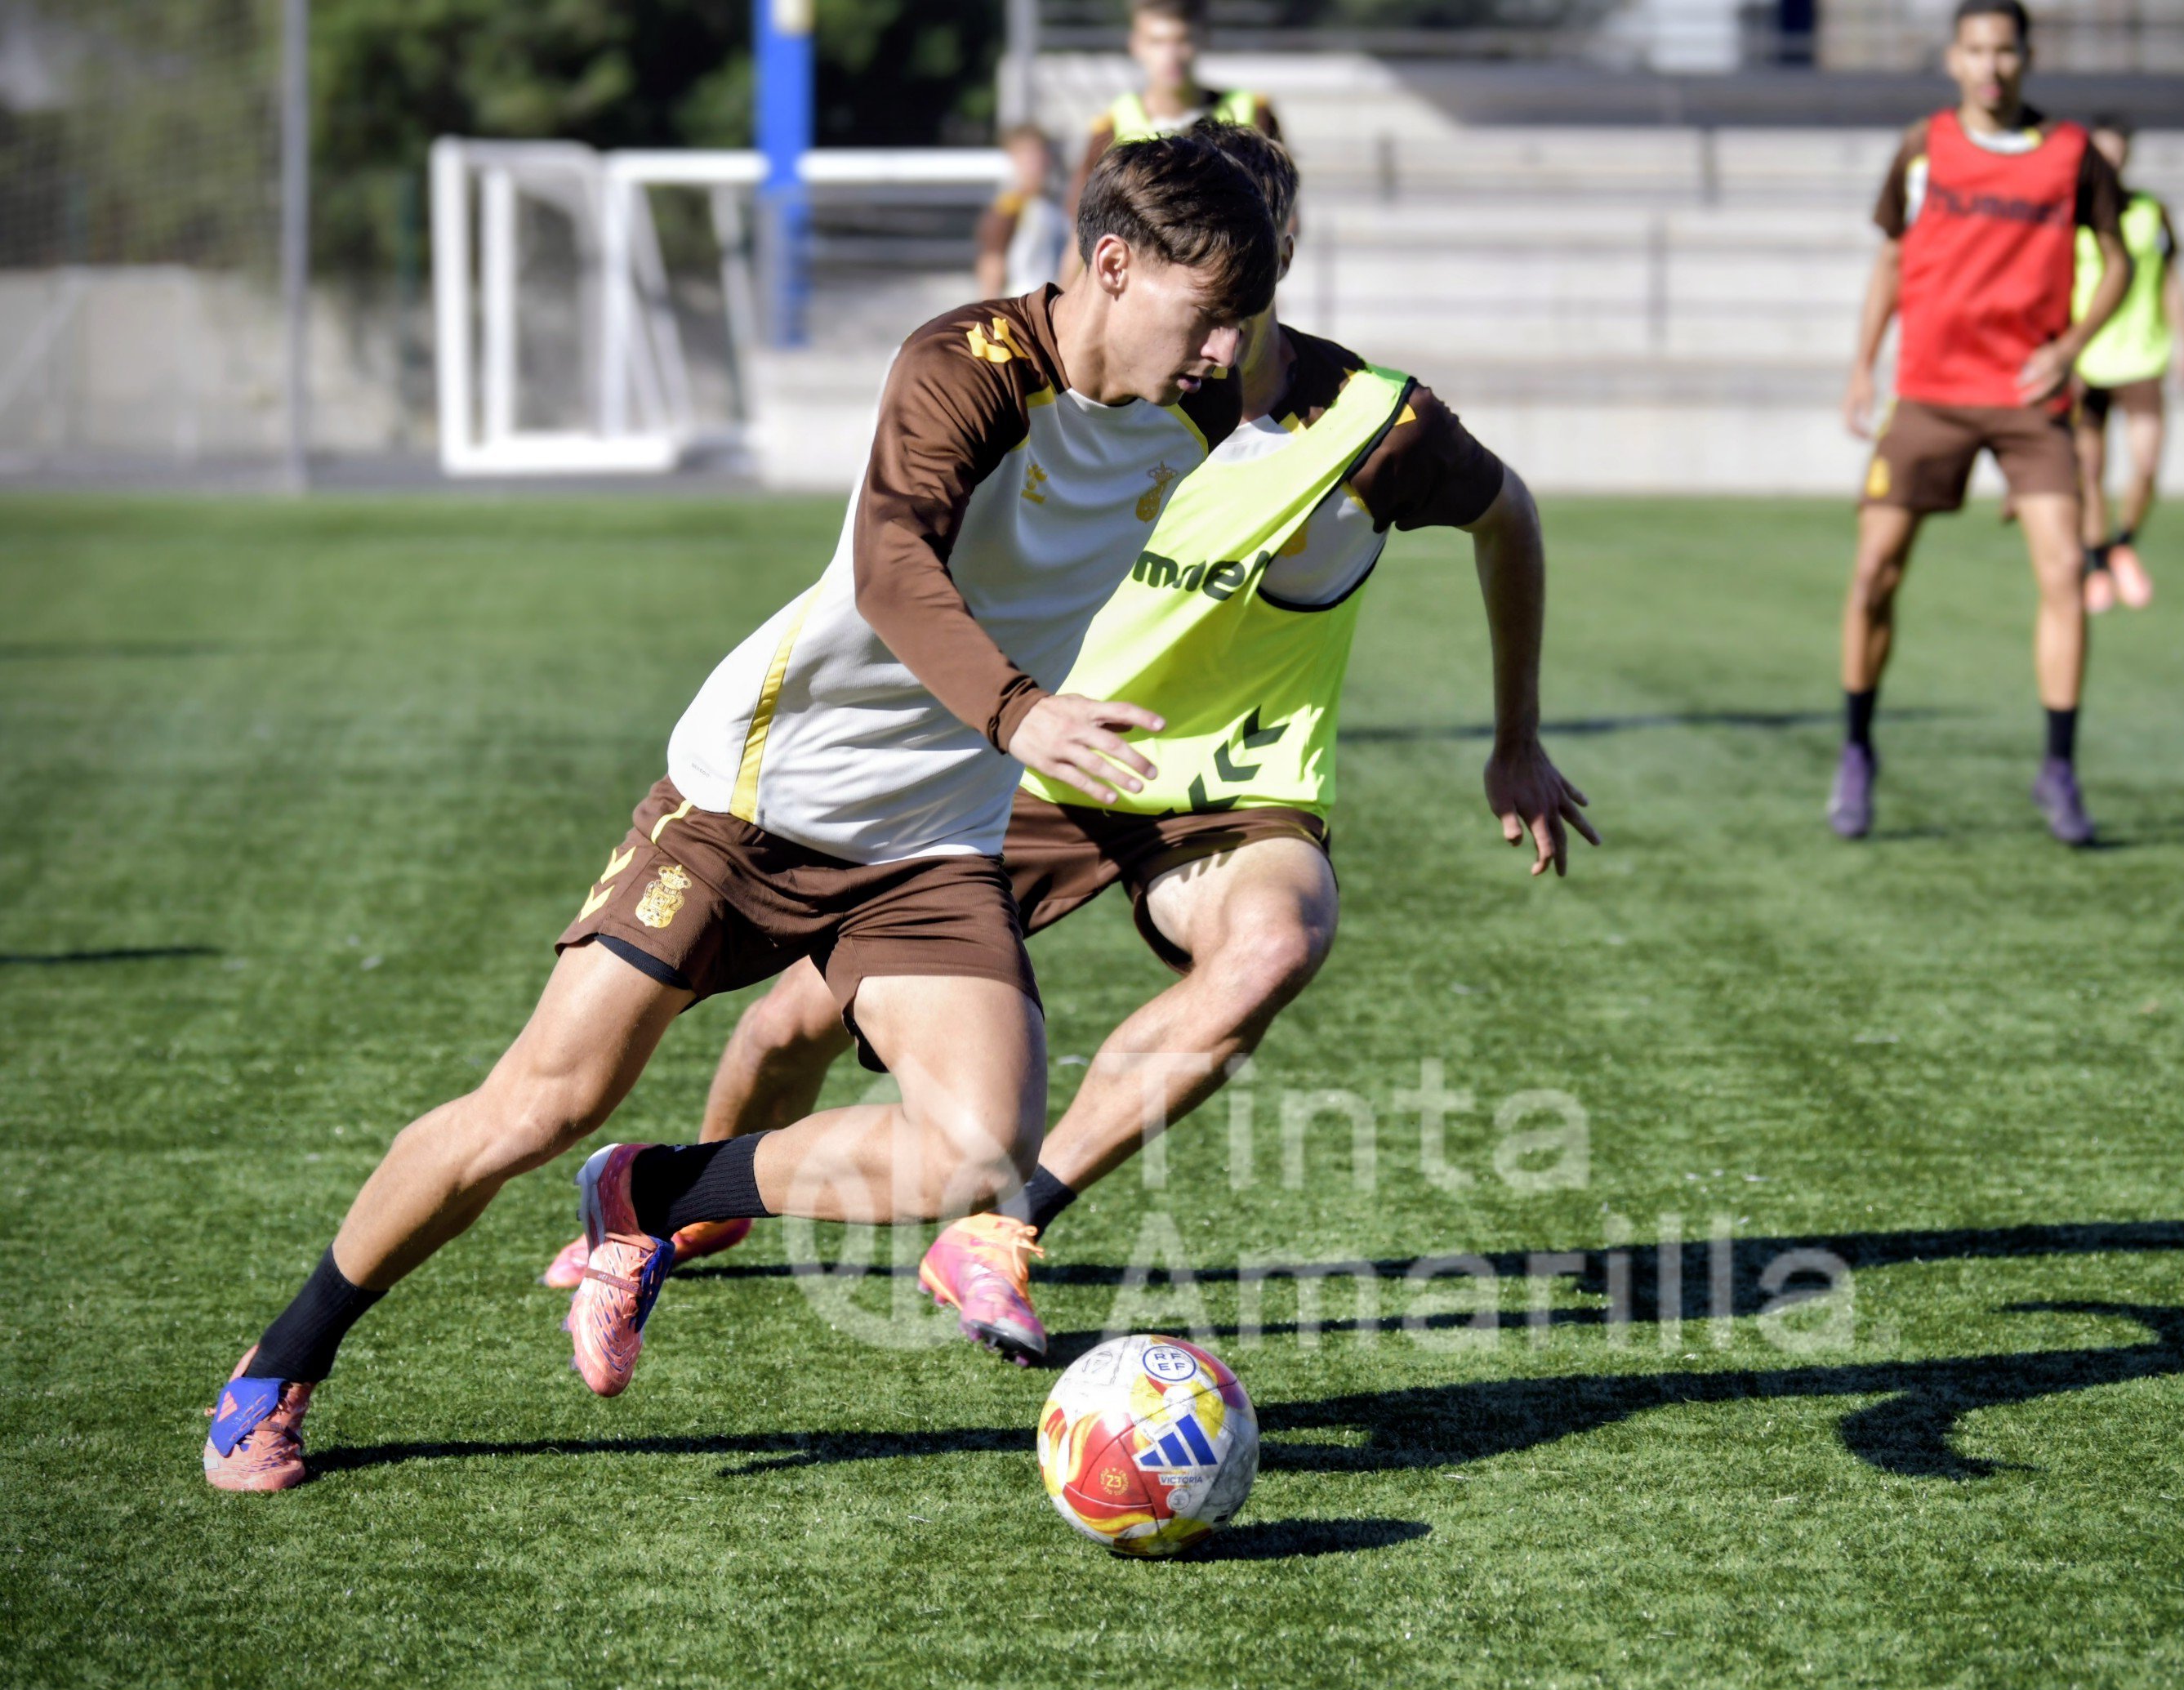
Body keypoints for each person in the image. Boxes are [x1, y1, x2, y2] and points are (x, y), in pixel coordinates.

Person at [200, 134, 1281, 1491]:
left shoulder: (1212, 389)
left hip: (928, 834)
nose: (1229, 344)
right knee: (540, 1100)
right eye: (1209, 310)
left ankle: (653, 1195)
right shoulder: (962, 366)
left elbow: (1330, 381)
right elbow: (893, 567)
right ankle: (279, 1363)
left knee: (977, 1146)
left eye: (1246, 315)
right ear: (1111, 266)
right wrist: (1021, 712)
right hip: (752, 798)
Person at [538, 121, 1596, 1367]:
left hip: (1228, 785)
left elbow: (1506, 511)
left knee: (1275, 940)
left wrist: (1515, 738)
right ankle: (671, 1206)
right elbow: (908, 547)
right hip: (1035, 757)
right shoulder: (1095, 389)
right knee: (787, 1031)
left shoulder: (1371, 423)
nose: (1226, 305)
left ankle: (1005, 1227)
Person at [1833, 0, 2129, 846]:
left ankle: (2059, 768)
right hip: (1927, 393)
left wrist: (2071, 347)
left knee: (2064, 576)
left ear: (2027, 57)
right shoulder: (1923, 146)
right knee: (1874, 575)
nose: (1991, 66)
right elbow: (1891, 257)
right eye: (1976, 51)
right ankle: (1856, 751)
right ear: (1952, 59)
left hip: (2031, 404)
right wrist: (1862, 365)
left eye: (2006, 51)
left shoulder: (2072, 153)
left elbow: (2120, 260)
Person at [2070, 116, 2184, 613]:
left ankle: (2122, 544)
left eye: (2117, 151)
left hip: (2142, 357)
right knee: (2090, 470)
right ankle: (2097, 564)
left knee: (2145, 464)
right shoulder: (2072, 211)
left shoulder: (2151, 212)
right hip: (2086, 359)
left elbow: (2171, 281)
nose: (2111, 161)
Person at [1060, 0, 1278, 281]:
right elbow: (1081, 239)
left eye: (1182, 40)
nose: (1171, 55)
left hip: (1232, 297)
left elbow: (1285, 220)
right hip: (1140, 303)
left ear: (1203, 39)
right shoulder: (1110, 130)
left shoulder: (1252, 114)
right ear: (1136, 45)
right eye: (1157, 41)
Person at [976, 123, 1070, 301]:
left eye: (1038, 153)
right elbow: (992, 266)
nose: (1035, 162)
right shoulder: (1008, 208)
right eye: (1027, 155)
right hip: (1021, 307)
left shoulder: (1057, 206)